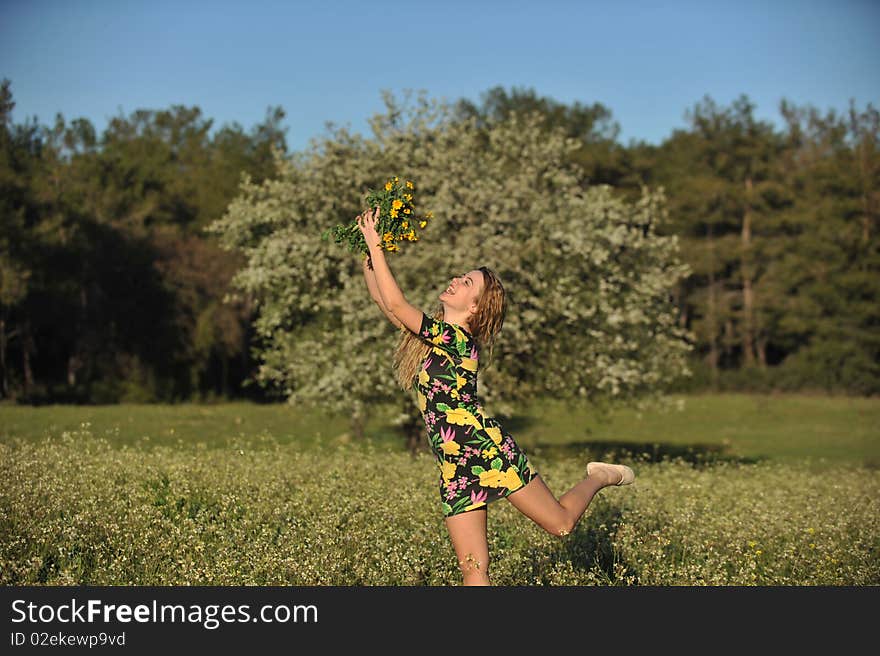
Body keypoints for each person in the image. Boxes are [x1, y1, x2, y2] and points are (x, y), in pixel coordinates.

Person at [356, 207, 635, 586]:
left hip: (486, 449)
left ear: (474, 308)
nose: (456, 279)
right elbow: (383, 303)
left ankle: (599, 477)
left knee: (561, 525)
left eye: (467, 282)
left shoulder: (458, 342)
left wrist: (377, 245)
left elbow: (396, 304)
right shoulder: (430, 340)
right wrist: (367, 253)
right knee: (473, 568)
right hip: (454, 467)